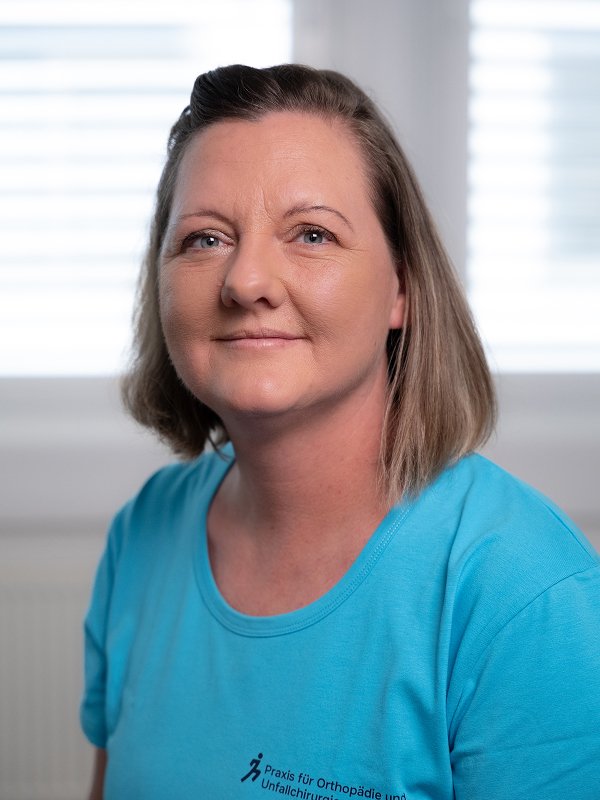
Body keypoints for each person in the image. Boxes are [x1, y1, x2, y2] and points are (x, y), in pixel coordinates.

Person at [81, 64, 600, 799]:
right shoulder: (141, 537)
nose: (245, 281)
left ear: (402, 289)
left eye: (312, 233)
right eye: (204, 239)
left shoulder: (526, 595)